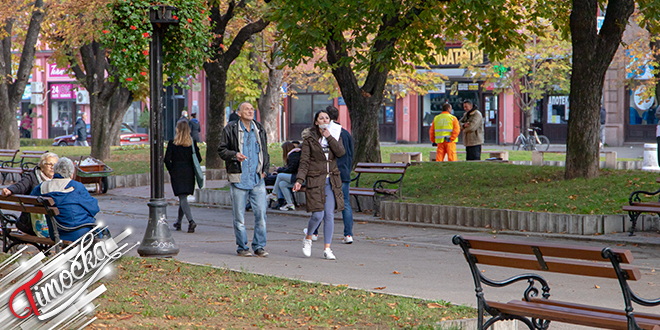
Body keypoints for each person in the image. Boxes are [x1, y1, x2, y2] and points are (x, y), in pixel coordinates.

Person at [218, 102, 270, 257]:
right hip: (239, 178)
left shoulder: (259, 128)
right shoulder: (231, 129)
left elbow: (265, 152)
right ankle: (242, 247)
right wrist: (235, 155)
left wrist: (265, 171)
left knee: (261, 215)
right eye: (246, 109)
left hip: (257, 179)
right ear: (239, 113)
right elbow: (221, 150)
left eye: (252, 109)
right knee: (239, 217)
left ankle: (259, 246)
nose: (250, 111)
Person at [293, 109, 345, 260]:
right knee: (317, 214)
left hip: (331, 181)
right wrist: (299, 180)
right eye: (321, 118)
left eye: (326, 118)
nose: (324, 120)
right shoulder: (309, 139)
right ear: (316, 122)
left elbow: (341, 152)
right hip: (316, 180)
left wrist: (330, 138)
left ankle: (327, 248)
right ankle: (308, 238)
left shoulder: (335, 135)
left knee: (329, 215)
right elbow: (304, 162)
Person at [30, 157, 99, 242]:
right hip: (78, 231)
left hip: (55, 233)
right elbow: (94, 208)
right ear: (71, 174)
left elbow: (31, 201)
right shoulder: (76, 186)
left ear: (55, 171)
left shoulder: (41, 187)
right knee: (100, 230)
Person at [1, 152, 59, 237]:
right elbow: (21, 185)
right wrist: (10, 190)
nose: (52, 167)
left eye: (55, 164)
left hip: (50, 225)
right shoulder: (32, 177)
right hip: (31, 225)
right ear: (42, 166)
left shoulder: (58, 179)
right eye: (49, 164)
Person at [165, 120, 202, 233]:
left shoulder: (172, 143)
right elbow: (199, 159)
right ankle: (178, 222)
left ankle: (191, 221)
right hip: (189, 172)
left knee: (182, 197)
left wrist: (171, 169)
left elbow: (166, 159)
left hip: (177, 172)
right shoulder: (192, 143)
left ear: (177, 129)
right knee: (183, 197)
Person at [325, 105, 355, 244]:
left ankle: (313, 232)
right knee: (345, 204)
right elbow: (351, 154)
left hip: (331, 172)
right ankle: (348, 234)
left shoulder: (328, 134)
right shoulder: (346, 133)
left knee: (324, 202)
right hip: (344, 173)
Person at [267, 141, 301, 211]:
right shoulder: (295, 154)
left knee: (280, 176)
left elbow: (291, 169)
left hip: (297, 178)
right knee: (282, 184)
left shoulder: (293, 155)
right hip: (296, 177)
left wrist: (279, 170)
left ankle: (273, 194)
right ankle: (290, 204)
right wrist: (280, 169)